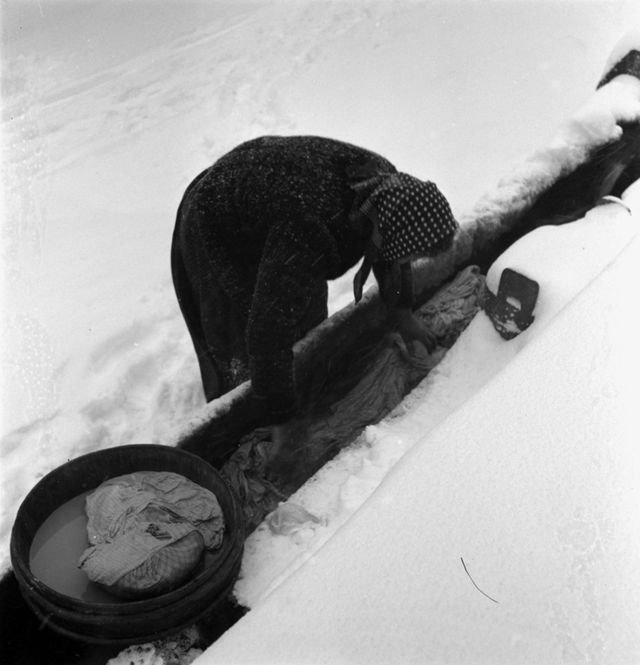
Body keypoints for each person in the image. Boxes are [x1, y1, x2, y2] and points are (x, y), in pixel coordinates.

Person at [171, 135, 458, 424]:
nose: (406, 263)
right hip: (217, 215)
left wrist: (402, 313)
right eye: (409, 256)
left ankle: (293, 389)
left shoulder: (388, 195)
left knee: (304, 317)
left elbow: (390, 250)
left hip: (272, 190)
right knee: (240, 335)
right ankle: (245, 416)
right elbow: (268, 328)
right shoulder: (311, 227)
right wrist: (281, 417)